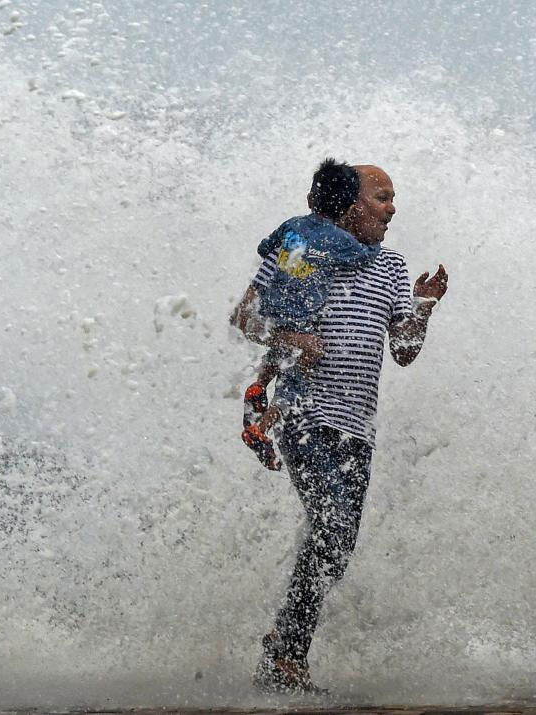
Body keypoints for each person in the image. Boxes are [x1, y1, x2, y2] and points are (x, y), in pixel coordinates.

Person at [230, 164, 450, 694]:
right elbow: (245, 318)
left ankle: (284, 653)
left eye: (393, 198)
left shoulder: (393, 268)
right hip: (304, 414)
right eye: (382, 197)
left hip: (358, 429)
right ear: (349, 204)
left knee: (339, 542)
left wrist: (422, 308)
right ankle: (284, 658)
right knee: (329, 526)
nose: (392, 208)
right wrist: (290, 335)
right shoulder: (301, 252)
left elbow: (403, 352)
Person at [241, 158, 381, 471]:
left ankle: (258, 385)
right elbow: (365, 255)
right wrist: (372, 243)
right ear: (347, 209)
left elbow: (266, 249)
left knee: (281, 346)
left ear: (310, 198)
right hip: (300, 317)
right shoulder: (342, 241)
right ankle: (260, 429)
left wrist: (298, 257)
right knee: (306, 356)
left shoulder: (293, 225)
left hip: (272, 306)